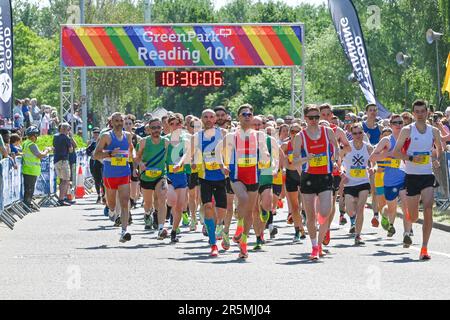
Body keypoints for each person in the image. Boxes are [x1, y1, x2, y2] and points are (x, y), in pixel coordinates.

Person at [393, 100, 443, 260]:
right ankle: (408, 221)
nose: (420, 114)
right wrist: (411, 157)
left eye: (423, 111)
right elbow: (395, 152)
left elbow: (439, 149)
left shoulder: (434, 131)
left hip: (427, 175)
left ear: (427, 112)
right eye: (417, 111)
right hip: (412, 176)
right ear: (413, 113)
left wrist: (435, 158)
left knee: (428, 209)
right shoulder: (407, 130)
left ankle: (424, 248)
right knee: (413, 217)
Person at [220, 104, 270, 259]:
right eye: (244, 114)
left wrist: (265, 157)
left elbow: (265, 152)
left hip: (254, 175)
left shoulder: (259, 135)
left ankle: (243, 243)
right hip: (236, 174)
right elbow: (218, 152)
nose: (247, 116)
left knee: (249, 212)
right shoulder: (231, 136)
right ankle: (238, 227)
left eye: (249, 114)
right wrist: (222, 166)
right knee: (243, 198)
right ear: (238, 117)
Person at [292, 105, 341, 260]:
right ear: (305, 118)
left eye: (317, 117)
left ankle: (320, 243)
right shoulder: (300, 136)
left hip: (325, 175)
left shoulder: (328, 132)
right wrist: (307, 158)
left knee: (325, 212)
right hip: (308, 178)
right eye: (311, 118)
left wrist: (335, 159)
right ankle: (314, 247)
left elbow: (337, 147)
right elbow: (294, 160)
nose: (314, 120)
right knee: (311, 216)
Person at [369, 114, 413, 247]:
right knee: (391, 208)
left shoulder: (408, 139)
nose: (399, 125)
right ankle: (386, 217)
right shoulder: (386, 141)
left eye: (401, 122)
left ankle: (406, 234)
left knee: (406, 207)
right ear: (391, 125)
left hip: (406, 177)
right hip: (389, 180)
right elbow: (372, 157)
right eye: (395, 123)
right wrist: (387, 154)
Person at [192, 109, 228, 256]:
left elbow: (231, 152)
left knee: (221, 210)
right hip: (205, 177)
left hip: (221, 176)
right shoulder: (197, 136)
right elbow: (192, 155)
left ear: (215, 119)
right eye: (205, 117)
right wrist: (193, 162)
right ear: (201, 119)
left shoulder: (224, 134)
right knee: (207, 206)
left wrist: (226, 165)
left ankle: (220, 225)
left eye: (211, 117)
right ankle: (213, 244)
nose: (208, 119)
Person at [94, 112, 134, 243]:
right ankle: (111, 212)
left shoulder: (128, 136)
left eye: (120, 120)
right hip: (110, 174)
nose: (119, 123)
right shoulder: (106, 136)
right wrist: (110, 153)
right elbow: (96, 155)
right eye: (116, 121)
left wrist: (134, 160)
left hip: (124, 172)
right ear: (111, 122)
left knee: (124, 201)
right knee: (111, 203)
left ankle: (124, 231)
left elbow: (130, 151)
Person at [135, 118, 170, 240]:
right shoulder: (144, 142)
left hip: (160, 175)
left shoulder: (166, 142)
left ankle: (161, 228)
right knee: (148, 203)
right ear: (149, 130)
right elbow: (137, 157)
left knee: (161, 198)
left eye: (158, 127)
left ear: (162, 128)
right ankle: (147, 214)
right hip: (146, 176)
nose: (156, 130)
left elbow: (171, 158)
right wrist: (140, 165)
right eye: (153, 128)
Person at [341, 123, 373, 245]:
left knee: (360, 209)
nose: (358, 135)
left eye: (360, 133)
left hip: (363, 181)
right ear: (351, 134)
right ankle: (352, 219)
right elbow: (338, 160)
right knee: (350, 210)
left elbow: (373, 161)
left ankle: (358, 235)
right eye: (355, 133)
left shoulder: (368, 147)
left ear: (363, 133)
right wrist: (341, 171)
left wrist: (372, 168)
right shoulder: (346, 147)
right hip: (349, 182)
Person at [362, 103, 384, 228]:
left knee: (375, 190)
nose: (373, 112)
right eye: (370, 110)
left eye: (375, 110)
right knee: (364, 190)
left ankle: (376, 215)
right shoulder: (361, 126)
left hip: (376, 160)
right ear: (366, 112)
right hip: (363, 161)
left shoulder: (380, 128)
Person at [22, 126, 52, 210]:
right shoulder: (31, 144)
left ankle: (28, 204)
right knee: (29, 190)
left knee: (29, 189)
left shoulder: (25, 143)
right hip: (31, 170)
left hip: (28, 169)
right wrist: (47, 150)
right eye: (36, 135)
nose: (36, 137)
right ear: (33, 136)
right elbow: (40, 155)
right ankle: (27, 205)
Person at [53, 123, 76, 206]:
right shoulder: (66, 138)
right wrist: (70, 139)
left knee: (62, 180)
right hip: (63, 160)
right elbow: (70, 150)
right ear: (67, 130)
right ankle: (61, 199)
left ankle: (63, 197)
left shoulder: (55, 137)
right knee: (65, 181)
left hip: (56, 160)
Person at [86, 128, 104, 204]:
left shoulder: (105, 143)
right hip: (95, 164)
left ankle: (104, 195)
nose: (96, 134)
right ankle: (98, 195)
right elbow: (87, 151)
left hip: (103, 164)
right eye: (95, 133)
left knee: (104, 180)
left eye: (98, 133)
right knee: (97, 180)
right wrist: (92, 154)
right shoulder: (93, 143)